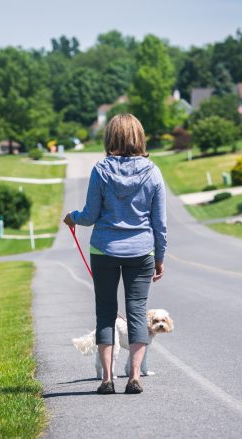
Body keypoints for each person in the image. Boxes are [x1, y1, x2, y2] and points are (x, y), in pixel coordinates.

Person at [63, 113, 167, 395]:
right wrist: (159, 257)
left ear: (110, 138)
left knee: (106, 313)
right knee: (136, 313)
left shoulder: (100, 170)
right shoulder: (153, 171)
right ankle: (134, 377)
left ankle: (107, 380)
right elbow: (159, 223)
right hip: (141, 251)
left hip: (105, 250)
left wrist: (72, 217)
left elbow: (90, 215)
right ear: (139, 137)